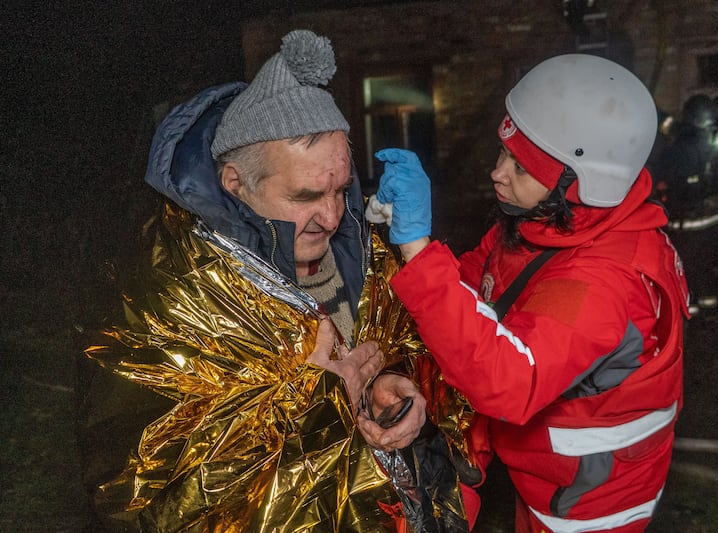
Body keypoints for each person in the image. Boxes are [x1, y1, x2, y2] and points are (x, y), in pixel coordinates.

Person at [77, 29, 470, 532]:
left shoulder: (361, 250)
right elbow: (145, 490)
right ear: (235, 184)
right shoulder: (170, 293)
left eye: (341, 189)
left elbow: (418, 353)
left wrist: (398, 394)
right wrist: (313, 398)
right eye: (305, 197)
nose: (332, 216)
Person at [369, 54, 690, 532]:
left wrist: (417, 249)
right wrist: (419, 257)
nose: (498, 173)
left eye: (520, 166)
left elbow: (508, 380)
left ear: (579, 183)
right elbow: (476, 286)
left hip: (588, 504)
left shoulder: (607, 280)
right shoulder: (550, 224)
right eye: (503, 152)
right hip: (544, 469)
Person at [652, 93, 718, 313]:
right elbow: (676, 128)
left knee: (686, 271)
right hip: (713, 221)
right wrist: (656, 114)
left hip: (687, 224)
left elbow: (659, 176)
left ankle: (690, 314)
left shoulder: (678, 151)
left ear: (689, 118)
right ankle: (709, 312)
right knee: (706, 268)